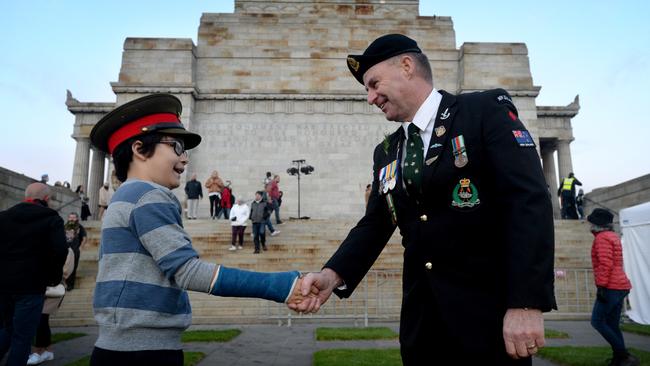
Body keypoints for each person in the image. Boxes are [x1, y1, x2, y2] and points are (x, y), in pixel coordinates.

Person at [292, 34, 556, 365]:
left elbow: (528, 202)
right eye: (367, 91)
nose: (371, 98)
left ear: (406, 66)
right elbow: (376, 223)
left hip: (487, 320)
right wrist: (332, 274)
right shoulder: (387, 152)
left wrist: (527, 303)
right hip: (422, 327)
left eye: (374, 84)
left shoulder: (483, 112)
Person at [87, 93, 310, 365]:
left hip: (122, 346)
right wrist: (281, 285)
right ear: (139, 149)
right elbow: (188, 272)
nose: (184, 160)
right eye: (176, 147)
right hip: (141, 352)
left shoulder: (126, 196)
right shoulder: (148, 196)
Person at [0, 183, 68, 366]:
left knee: (6, 329)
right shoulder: (51, 217)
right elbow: (61, 249)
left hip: (3, 285)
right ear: (46, 199)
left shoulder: (4, 216)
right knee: (22, 337)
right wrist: (53, 277)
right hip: (31, 286)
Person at [587, 209, 639, 366]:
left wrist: (601, 287)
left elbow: (605, 264)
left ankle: (623, 356)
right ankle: (620, 358)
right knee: (612, 324)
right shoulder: (612, 236)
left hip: (611, 286)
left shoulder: (602, 239)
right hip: (620, 285)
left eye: (591, 222)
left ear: (598, 224)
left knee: (597, 321)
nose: (589, 224)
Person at [27, 247, 75, 365]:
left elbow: (66, 271)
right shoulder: (45, 248)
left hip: (54, 288)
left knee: (41, 318)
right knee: (42, 319)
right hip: (41, 287)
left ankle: (38, 352)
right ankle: (47, 350)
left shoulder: (67, 250)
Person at [63, 212, 87, 290]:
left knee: (73, 268)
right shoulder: (64, 227)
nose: (72, 219)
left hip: (74, 251)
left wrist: (81, 247)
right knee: (63, 267)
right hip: (65, 250)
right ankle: (64, 284)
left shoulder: (80, 227)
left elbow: (84, 238)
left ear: (77, 218)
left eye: (74, 217)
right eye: (70, 217)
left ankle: (70, 285)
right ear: (68, 218)